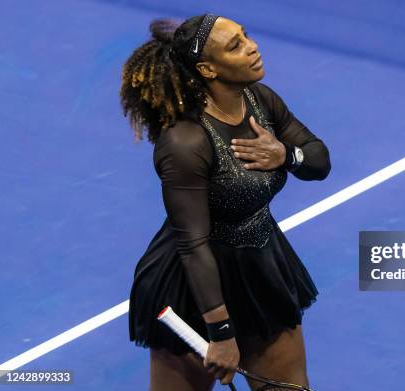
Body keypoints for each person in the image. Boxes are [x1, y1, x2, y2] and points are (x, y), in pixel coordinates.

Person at [120, 13, 331, 391]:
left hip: (262, 267)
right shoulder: (186, 143)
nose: (252, 47)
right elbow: (193, 244)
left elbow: (318, 159)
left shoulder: (260, 100)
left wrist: (286, 155)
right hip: (194, 287)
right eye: (235, 45)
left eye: (246, 36)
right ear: (208, 69)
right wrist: (220, 333)